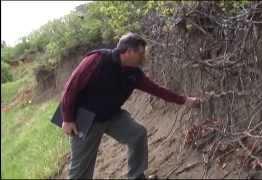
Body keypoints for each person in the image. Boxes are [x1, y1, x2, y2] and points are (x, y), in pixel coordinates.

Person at [61, 32, 202, 179]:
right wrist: (67, 118)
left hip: (112, 115)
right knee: (80, 171)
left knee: (137, 134)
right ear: (128, 51)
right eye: (140, 53)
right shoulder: (97, 59)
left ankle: (137, 176)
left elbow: (157, 90)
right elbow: (71, 86)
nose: (143, 57)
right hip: (85, 118)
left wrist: (185, 100)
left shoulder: (134, 74)